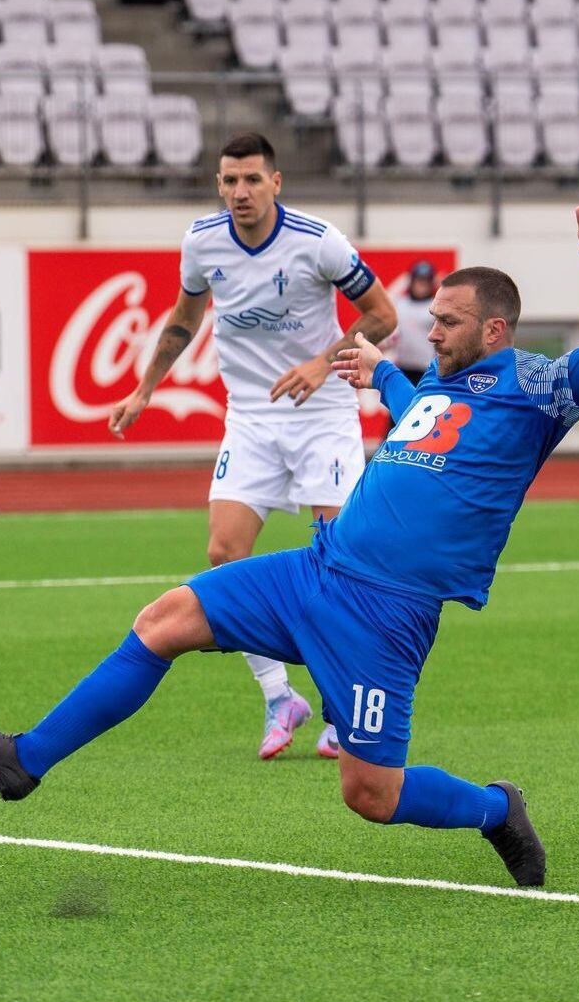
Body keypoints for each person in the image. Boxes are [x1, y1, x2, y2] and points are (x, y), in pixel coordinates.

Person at [0, 186, 579, 888]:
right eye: (432, 319)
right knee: (164, 619)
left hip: (384, 616)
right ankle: (26, 760)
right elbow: (421, 414)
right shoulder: (442, 389)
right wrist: (383, 374)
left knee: (371, 795)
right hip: (315, 572)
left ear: (494, 331)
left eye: (448, 322)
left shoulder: (535, 387)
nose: (433, 331)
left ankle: (496, 808)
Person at [107, 131, 398, 760]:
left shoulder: (319, 241)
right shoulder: (202, 241)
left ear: (276, 182)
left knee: (340, 564)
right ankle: (277, 696)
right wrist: (144, 389)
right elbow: (184, 319)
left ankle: (338, 707)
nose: (240, 191)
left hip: (321, 413)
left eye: (252, 180)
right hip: (251, 418)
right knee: (223, 553)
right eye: (230, 180)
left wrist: (325, 363)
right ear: (219, 184)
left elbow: (383, 315)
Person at [381, 259, 438, 387]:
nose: (421, 286)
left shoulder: (436, 306)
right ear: (411, 281)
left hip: (428, 369)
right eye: (419, 281)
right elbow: (392, 335)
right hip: (403, 367)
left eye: (425, 282)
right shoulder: (400, 305)